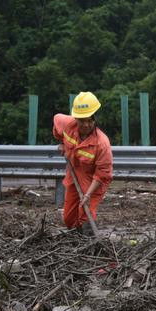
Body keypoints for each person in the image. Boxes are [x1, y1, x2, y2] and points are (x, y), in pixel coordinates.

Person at [53, 91, 113, 234]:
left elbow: (103, 173)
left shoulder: (102, 143)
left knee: (85, 216)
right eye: (82, 121)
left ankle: (87, 244)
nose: (86, 125)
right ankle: (76, 238)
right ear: (76, 118)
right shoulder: (67, 124)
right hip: (74, 175)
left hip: (93, 181)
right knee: (69, 218)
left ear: (94, 119)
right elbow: (56, 122)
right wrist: (61, 142)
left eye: (89, 120)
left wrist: (88, 195)